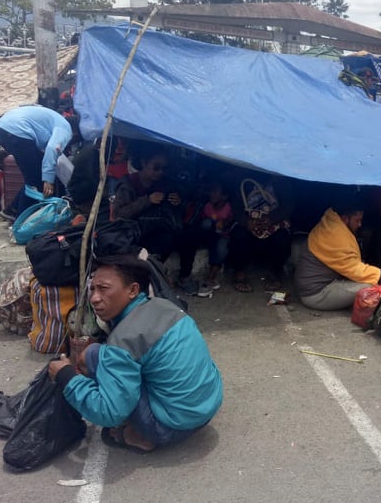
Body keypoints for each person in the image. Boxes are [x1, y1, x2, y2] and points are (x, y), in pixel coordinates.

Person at [47, 255, 223, 453]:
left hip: (171, 427)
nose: (94, 298)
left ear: (133, 290)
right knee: (94, 353)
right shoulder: (166, 306)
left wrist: (67, 377)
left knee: (107, 373)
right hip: (207, 407)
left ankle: (140, 437)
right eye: (93, 289)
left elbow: (109, 413)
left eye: (104, 289)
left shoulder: (124, 340)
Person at [294, 196, 381, 311]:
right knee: (372, 287)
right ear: (345, 218)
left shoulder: (330, 222)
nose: (360, 225)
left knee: (369, 280)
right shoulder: (335, 235)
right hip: (316, 294)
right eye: (357, 220)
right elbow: (354, 269)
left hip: (312, 286)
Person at [0, 105, 75, 219]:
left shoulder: (55, 121)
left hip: (2, 128)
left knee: (32, 176)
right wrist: (48, 179)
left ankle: (12, 209)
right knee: (35, 181)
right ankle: (21, 221)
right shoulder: (66, 129)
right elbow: (53, 148)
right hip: (18, 130)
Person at [112, 144, 183, 261]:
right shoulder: (128, 184)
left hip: (157, 238)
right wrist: (147, 200)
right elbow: (118, 215)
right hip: (132, 236)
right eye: (156, 168)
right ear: (144, 163)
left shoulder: (165, 184)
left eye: (164, 169)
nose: (160, 172)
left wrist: (176, 202)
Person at [227, 174, 294, 293]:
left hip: (273, 221)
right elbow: (236, 207)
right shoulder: (243, 180)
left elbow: (288, 207)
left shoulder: (282, 182)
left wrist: (271, 219)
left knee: (282, 237)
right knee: (238, 235)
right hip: (248, 221)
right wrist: (246, 222)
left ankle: (275, 272)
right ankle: (239, 272)